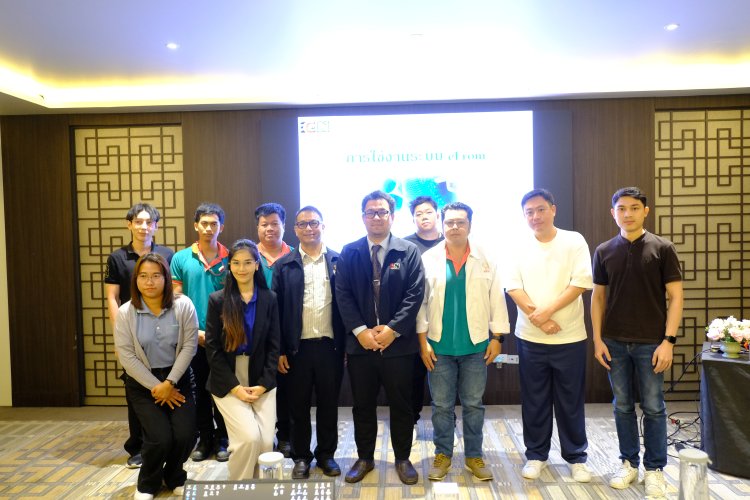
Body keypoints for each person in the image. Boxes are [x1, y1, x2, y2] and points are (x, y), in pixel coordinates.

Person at [591, 187, 683, 497]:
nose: (627, 214)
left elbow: (676, 297)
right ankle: (628, 463)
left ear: (645, 211)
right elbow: (598, 298)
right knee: (622, 406)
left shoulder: (663, 248)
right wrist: (597, 339)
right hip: (614, 342)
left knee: (654, 407)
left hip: (651, 343)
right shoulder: (604, 250)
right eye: (621, 208)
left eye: (633, 208)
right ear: (613, 213)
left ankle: (655, 469)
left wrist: (668, 341)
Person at [335, 190, 424, 485]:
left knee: (402, 405)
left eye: (382, 211)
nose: (376, 217)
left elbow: (415, 294)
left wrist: (391, 330)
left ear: (392, 216)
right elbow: (343, 294)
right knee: (362, 405)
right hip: (361, 346)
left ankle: (403, 459)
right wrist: (360, 331)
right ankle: (365, 458)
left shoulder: (408, 251)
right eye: (371, 212)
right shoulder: (350, 251)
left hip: (399, 346)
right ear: (363, 217)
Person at [506, 189, 593, 482]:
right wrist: (540, 320)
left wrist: (547, 312)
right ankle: (536, 455)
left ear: (553, 209)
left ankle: (576, 457)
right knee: (534, 399)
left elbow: (580, 283)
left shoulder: (574, 241)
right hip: (530, 338)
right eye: (529, 212)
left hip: (570, 336)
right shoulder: (517, 245)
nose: (535, 216)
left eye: (540, 209)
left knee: (570, 400)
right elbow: (513, 287)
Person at [417, 202, 508, 482]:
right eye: (449, 222)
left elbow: (497, 299)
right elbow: (420, 303)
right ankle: (442, 454)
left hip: (475, 346)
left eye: (461, 222)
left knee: (473, 404)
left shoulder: (486, 258)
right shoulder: (428, 258)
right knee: (442, 406)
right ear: (442, 224)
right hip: (439, 346)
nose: (454, 227)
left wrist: (497, 337)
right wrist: (422, 341)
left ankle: (473, 456)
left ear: (470, 224)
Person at [113, 253, 198, 500]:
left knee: (185, 434)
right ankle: (147, 483)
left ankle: (174, 476)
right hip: (142, 384)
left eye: (156, 276)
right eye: (143, 276)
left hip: (178, 378)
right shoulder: (126, 312)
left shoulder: (183, 305)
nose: (149, 282)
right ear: (136, 280)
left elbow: (189, 346)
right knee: (159, 437)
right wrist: (157, 386)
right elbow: (127, 356)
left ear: (166, 278)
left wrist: (170, 383)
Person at [273, 206, 345, 479]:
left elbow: (347, 306)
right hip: (297, 349)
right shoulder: (284, 265)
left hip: (330, 346)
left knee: (329, 405)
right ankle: (301, 456)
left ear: (323, 226)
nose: (309, 228)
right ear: (295, 229)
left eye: (314, 223)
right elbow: (276, 312)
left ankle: (326, 455)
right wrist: (280, 350)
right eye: (302, 224)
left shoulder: (339, 261)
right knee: (297, 406)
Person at [105, 203, 174, 468]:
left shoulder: (167, 254)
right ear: (129, 224)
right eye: (138, 222)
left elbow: (173, 293)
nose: (144, 227)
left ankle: (165, 441)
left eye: (149, 222)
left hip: (162, 329)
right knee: (135, 387)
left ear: (156, 226)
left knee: (166, 381)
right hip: (131, 331)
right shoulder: (117, 258)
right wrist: (119, 336)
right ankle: (137, 447)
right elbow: (112, 298)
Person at [204, 239, 281, 480]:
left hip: (261, 377)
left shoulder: (269, 298)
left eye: (248, 262)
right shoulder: (218, 300)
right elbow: (213, 349)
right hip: (227, 379)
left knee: (266, 443)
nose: (242, 268)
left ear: (257, 265)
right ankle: (239, 488)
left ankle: (262, 491)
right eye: (236, 263)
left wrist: (264, 384)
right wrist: (235, 388)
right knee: (249, 439)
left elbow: (274, 346)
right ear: (229, 266)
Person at [170, 203, 230, 462]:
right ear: (196, 225)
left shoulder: (231, 257)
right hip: (192, 337)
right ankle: (205, 439)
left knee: (223, 390)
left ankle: (223, 439)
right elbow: (175, 300)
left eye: (214, 224)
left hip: (225, 338)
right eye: (204, 223)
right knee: (200, 392)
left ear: (221, 227)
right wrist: (196, 332)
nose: (208, 228)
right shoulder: (181, 258)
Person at [254, 202, 294, 457]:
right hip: (255, 333)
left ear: (284, 226)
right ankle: (260, 436)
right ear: (257, 227)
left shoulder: (295, 255)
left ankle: (286, 436)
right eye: (264, 224)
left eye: (275, 223)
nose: (270, 228)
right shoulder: (248, 255)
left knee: (287, 387)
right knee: (259, 385)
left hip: (287, 332)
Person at [403, 195, 445, 437]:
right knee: (412, 377)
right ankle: (410, 422)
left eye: (428, 212)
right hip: (412, 323)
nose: (424, 217)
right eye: (418, 214)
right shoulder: (405, 245)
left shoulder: (450, 241)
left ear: (437, 214)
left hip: (444, 321)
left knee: (446, 378)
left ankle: (447, 424)